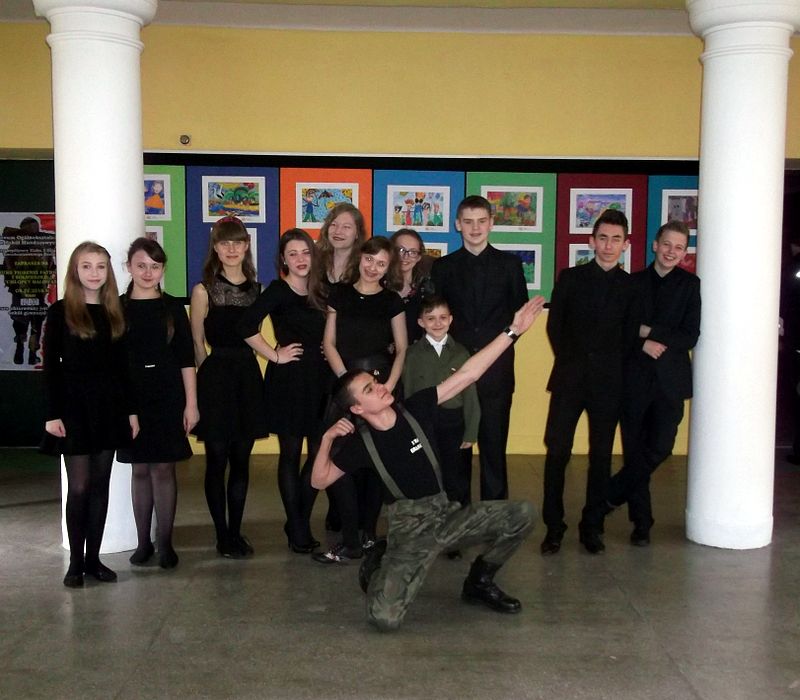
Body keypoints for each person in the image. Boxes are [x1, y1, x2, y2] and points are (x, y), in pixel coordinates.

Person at [311, 296, 545, 632]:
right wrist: (327, 439)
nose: (380, 387)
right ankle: (380, 565)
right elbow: (319, 481)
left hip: (446, 515)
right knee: (384, 619)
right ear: (357, 409)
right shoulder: (360, 444)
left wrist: (513, 331)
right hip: (408, 532)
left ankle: (479, 581)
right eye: (369, 389)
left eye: (375, 381)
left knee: (522, 514)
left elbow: (468, 374)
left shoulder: (416, 407)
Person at [40, 241, 139, 588]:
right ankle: (75, 563)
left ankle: (94, 560)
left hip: (110, 408)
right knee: (79, 487)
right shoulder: (60, 312)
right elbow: (50, 367)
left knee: (100, 486)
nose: (94, 273)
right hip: (73, 409)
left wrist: (131, 412)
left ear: (108, 271)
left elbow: (124, 368)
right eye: (87, 266)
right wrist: (52, 414)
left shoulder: (116, 312)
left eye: (100, 266)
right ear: (75, 270)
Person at [541, 209, 636, 556]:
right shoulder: (571, 278)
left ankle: (592, 527)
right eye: (603, 238)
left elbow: (630, 338)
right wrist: (572, 362)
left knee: (601, 456)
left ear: (625, 245)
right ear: (591, 241)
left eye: (616, 239)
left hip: (608, 384)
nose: (608, 245)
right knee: (557, 452)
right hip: (570, 378)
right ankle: (554, 527)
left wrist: (609, 369)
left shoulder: (631, 286)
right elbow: (555, 326)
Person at [599, 221, 700, 545]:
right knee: (634, 451)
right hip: (634, 379)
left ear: (684, 253)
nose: (671, 251)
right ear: (655, 245)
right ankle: (641, 524)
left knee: (660, 447)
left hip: (671, 382)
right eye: (667, 244)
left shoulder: (690, 285)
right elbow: (618, 330)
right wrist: (641, 342)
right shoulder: (632, 283)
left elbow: (690, 336)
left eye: (679, 247)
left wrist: (649, 331)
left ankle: (610, 494)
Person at [315, 236, 407, 563]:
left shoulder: (392, 300)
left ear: (388, 268)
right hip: (345, 387)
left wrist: (389, 388)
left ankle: (368, 533)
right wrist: (347, 382)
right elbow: (329, 343)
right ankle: (350, 539)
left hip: (381, 388)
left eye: (381, 263)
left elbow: (402, 348)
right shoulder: (339, 294)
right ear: (360, 258)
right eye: (369, 259)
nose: (373, 267)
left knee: (377, 463)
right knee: (339, 460)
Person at [431, 195, 528, 501]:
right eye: (468, 221)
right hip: (454, 370)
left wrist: (495, 349)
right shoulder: (443, 267)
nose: (475, 228)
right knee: (456, 447)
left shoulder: (510, 265)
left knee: (494, 445)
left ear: (491, 223)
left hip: (496, 370)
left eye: (481, 221)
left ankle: (494, 516)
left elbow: (520, 319)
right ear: (457, 224)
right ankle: (457, 512)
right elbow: (437, 318)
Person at [238, 228, 328, 553]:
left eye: (305, 252)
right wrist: (274, 355)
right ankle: (298, 527)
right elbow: (245, 325)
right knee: (290, 454)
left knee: (319, 452)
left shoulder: (322, 289)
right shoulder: (278, 290)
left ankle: (297, 520)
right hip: (290, 378)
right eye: (293, 254)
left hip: (321, 379)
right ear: (283, 260)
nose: (300, 259)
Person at [190, 216, 268, 559]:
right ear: (216, 248)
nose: (232, 248)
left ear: (247, 246)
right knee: (216, 460)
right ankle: (221, 535)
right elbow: (197, 342)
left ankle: (235, 531)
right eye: (225, 243)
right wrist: (205, 379)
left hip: (247, 376)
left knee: (241, 461)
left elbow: (256, 338)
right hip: (216, 377)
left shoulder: (257, 289)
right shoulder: (203, 289)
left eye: (238, 242)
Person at [118, 238, 198, 569]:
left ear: (163, 269)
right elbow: (114, 361)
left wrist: (191, 404)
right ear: (128, 267)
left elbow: (186, 358)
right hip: (131, 397)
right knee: (139, 469)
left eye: (155, 266)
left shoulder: (173, 308)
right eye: (141, 265)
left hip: (168, 395)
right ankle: (143, 543)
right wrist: (124, 407)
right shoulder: (117, 307)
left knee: (164, 468)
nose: (148, 272)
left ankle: (165, 543)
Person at [312, 202, 368, 533]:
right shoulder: (315, 264)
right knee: (326, 438)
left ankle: (355, 512)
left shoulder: (365, 267)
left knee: (353, 439)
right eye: (334, 224)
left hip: (352, 364)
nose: (338, 230)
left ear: (358, 233)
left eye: (346, 225)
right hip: (317, 364)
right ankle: (336, 506)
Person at [402, 295, 480, 515]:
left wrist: (471, 431)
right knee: (428, 472)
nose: (437, 323)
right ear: (421, 322)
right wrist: (409, 428)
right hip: (424, 423)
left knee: (456, 474)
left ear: (451, 319)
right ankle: (429, 520)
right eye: (431, 318)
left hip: (453, 422)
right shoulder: (412, 354)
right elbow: (408, 393)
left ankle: (459, 519)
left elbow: (470, 396)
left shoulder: (461, 353)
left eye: (443, 318)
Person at [389, 228, 434, 344]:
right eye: (400, 250)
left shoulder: (427, 290)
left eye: (413, 252)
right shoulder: (379, 285)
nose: (405, 257)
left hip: (418, 352)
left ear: (419, 257)